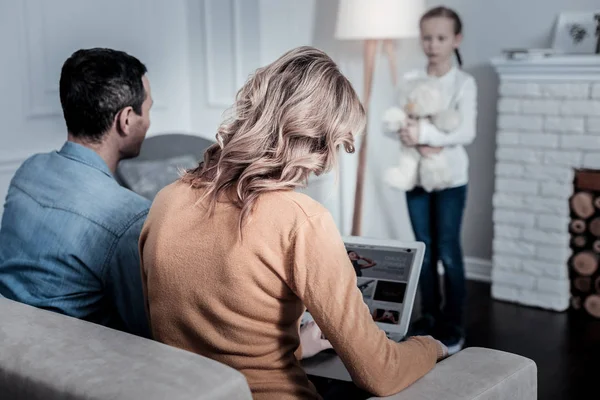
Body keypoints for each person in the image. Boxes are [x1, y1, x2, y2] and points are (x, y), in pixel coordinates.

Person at [139, 46, 447, 400]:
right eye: (336, 145)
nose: (326, 164)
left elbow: (211, 336)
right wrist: (430, 346)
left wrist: (298, 345)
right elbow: (381, 373)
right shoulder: (301, 221)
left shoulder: (167, 199)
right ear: (319, 141)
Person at [0, 48, 153, 338]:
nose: (149, 122)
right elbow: (145, 329)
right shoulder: (130, 216)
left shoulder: (28, 171)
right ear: (126, 119)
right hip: (75, 373)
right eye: (148, 110)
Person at [398, 6, 477, 355]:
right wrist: (407, 134)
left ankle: (453, 322)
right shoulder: (412, 78)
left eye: (441, 38)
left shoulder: (464, 83)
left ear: (456, 40)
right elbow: (398, 123)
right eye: (427, 37)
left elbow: (466, 130)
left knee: (448, 251)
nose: (433, 44)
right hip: (415, 175)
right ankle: (428, 317)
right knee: (424, 250)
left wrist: (425, 133)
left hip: (451, 181)